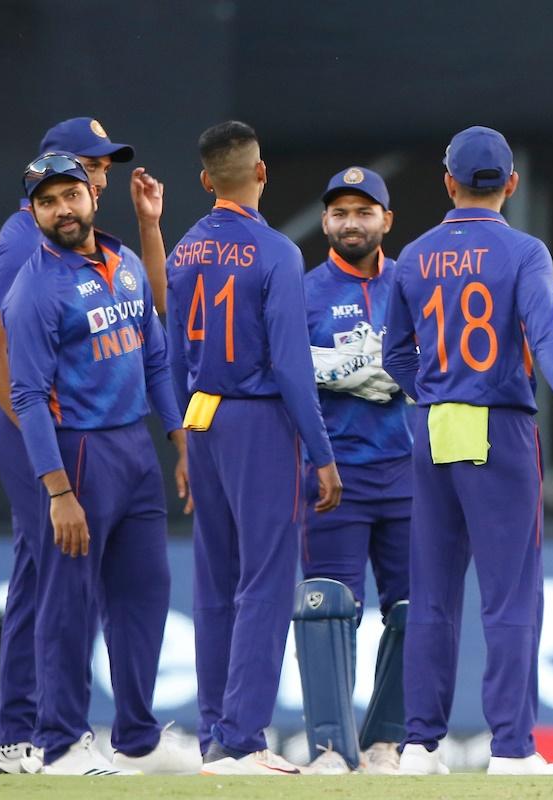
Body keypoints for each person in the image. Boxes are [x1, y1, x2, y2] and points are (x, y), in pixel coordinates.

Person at [383, 125, 553, 776]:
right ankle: (513, 749)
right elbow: (547, 338)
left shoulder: (412, 256)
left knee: (431, 594)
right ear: (511, 184)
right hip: (500, 430)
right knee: (511, 596)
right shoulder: (524, 252)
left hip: (433, 428)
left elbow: (394, 356)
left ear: (447, 182)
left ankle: (419, 747)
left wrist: (435, 391)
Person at [0, 118, 170, 775]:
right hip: (38, 423)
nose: (102, 175)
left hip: (84, 427)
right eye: (94, 165)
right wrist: (51, 445)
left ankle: (16, 739)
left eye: (103, 167)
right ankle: (50, 738)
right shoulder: (20, 241)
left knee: (42, 575)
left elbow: (148, 317)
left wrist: (148, 229)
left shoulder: (108, 253)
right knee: (62, 576)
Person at [164, 121, 341, 776]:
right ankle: (241, 740)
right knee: (266, 579)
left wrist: (182, 437)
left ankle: (216, 730)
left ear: (207, 180)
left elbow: (174, 354)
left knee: (215, 578)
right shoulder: (275, 253)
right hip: (258, 420)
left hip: (202, 415)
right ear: (259, 174)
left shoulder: (184, 251)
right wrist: (321, 452)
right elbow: (293, 368)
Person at [296, 167, 412, 775]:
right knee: (326, 606)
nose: (350, 223)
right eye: (339, 212)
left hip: (410, 470)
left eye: (363, 212)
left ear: (385, 221)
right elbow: (280, 373)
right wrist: (330, 368)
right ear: (325, 222)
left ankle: (385, 744)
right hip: (332, 472)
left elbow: (442, 358)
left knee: (418, 609)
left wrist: (391, 366)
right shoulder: (303, 290)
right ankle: (329, 748)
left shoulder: (412, 282)